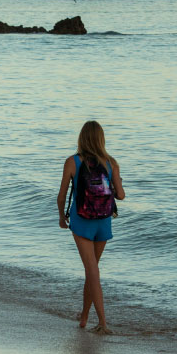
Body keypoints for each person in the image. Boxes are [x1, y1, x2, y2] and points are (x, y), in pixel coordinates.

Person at [58, 120, 125, 334]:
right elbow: (121, 195)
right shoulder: (111, 163)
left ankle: (103, 324)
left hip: (82, 222)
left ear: (82, 138)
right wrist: (116, 183)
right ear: (101, 139)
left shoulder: (72, 162)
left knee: (92, 271)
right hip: (103, 223)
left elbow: (61, 197)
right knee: (92, 270)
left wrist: (62, 217)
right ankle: (84, 317)